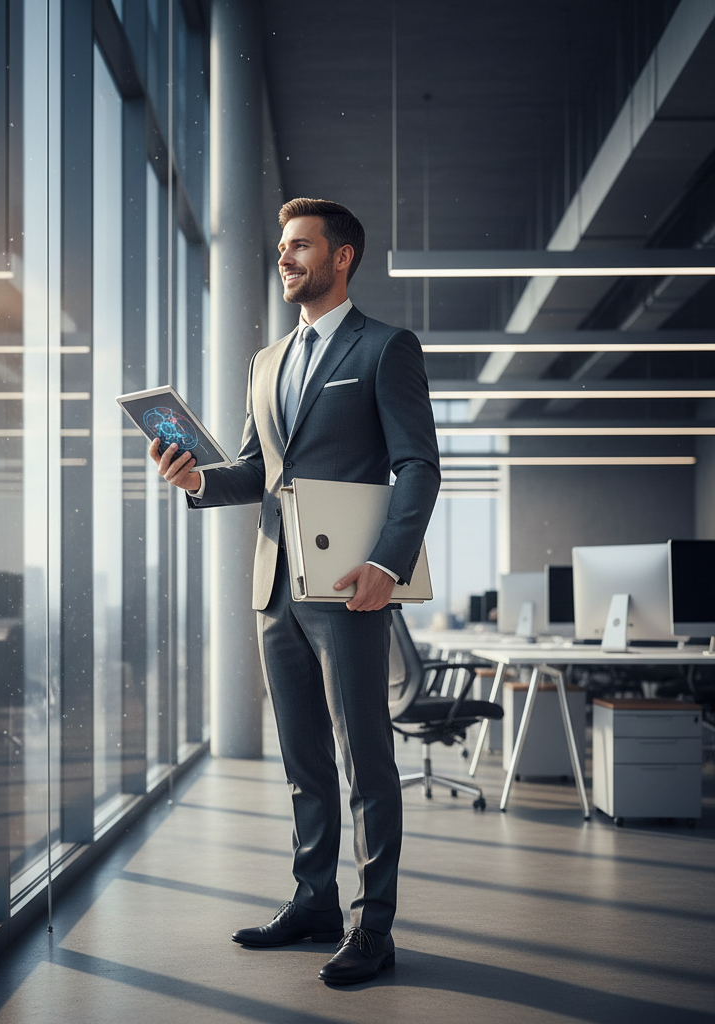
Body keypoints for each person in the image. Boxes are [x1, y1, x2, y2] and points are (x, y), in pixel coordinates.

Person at [149, 197, 440, 984]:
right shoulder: (266, 362)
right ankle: (314, 901)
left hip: (351, 585)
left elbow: (417, 465)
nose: (285, 258)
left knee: (364, 758)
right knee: (304, 759)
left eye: (300, 246)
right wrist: (195, 478)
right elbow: (257, 470)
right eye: (281, 247)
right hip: (276, 585)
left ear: (342, 257)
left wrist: (388, 561)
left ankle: (372, 929)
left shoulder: (386, 348)